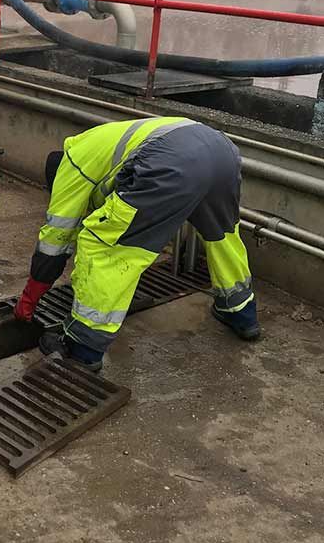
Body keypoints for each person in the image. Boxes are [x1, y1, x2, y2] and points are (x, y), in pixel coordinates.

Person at [14, 116, 260, 370]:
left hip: (171, 162)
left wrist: (31, 294)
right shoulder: (98, 145)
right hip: (222, 152)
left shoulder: (71, 167)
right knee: (222, 235)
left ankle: (82, 346)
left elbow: (56, 239)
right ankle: (240, 311)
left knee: (104, 245)